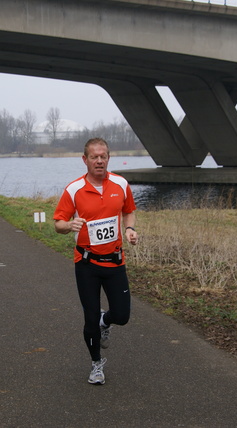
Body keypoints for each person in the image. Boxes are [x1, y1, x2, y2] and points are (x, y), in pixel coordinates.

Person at [53, 137, 138, 385]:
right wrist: (69, 225)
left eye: (103, 156)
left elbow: (129, 210)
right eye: (94, 157)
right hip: (87, 264)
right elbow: (58, 223)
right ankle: (96, 363)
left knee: (122, 316)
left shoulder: (121, 184)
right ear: (85, 160)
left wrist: (130, 228)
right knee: (89, 318)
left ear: (108, 158)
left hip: (115, 262)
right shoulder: (74, 189)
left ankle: (106, 320)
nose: (99, 160)